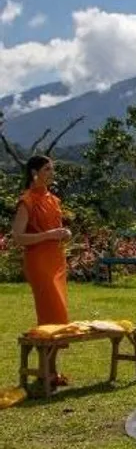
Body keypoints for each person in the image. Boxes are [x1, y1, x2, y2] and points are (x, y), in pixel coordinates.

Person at [11, 155, 70, 385]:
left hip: (56, 261)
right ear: (35, 173)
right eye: (47, 169)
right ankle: (45, 371)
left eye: (52, 169)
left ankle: (52, 371)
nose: (51, 173)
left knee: (60, 315)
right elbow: (18, 237)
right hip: (39, 263)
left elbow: (56, 228)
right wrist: (48, 235)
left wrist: (64, 233)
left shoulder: (53, 199)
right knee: (49, 314)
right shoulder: (27, 200)